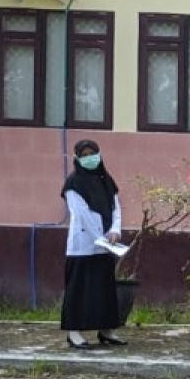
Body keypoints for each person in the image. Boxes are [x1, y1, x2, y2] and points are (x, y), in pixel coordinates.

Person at [60, 139, 126, 350]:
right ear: (77, 158)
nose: (90, 158)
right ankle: (74, 333)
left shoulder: (106, 179)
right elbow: (81, 214)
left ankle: (106, 330)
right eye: (85, 154)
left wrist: (115, 230)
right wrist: (101, 237)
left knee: (104, 291)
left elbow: (115, 207)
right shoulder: (73, 184)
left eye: (93, 153)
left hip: (106, 244)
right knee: (79, 290)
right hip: (83, 247)